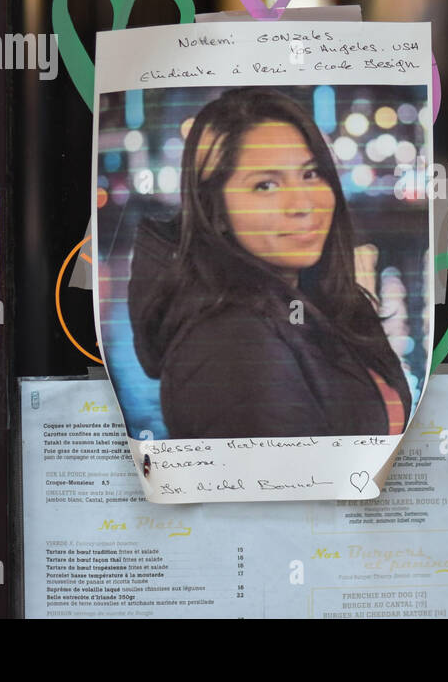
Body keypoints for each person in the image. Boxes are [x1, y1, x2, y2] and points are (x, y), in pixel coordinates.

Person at [128, 88, 411, 439]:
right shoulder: (231, 346)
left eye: (310, 174)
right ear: (215, 211)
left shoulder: (317, 304)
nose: (302, 204)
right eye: (266, 185)